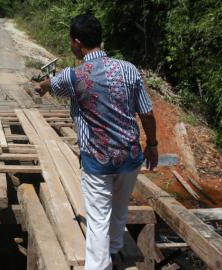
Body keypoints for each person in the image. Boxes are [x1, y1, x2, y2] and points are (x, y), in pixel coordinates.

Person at [34, 13, 158, 270]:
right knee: (120, 210)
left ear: (77, 42)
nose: (71, 46)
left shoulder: (73, 75)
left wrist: (42, 86)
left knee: (98, 220)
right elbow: (146, 112)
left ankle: (100, 265)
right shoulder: (129, 69)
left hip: (98, 162)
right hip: (130, 157)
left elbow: (51, 83)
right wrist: (153, 145)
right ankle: (114, 249)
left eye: (71, 42)